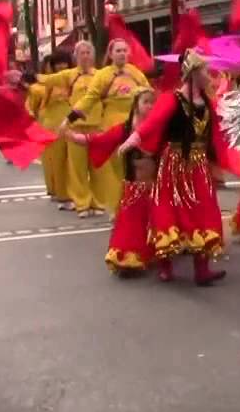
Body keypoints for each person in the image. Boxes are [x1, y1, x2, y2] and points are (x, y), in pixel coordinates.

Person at [118, 50, 236, 285]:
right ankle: (165, 266)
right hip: (174, 164)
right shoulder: (173, 99)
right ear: (192, 73)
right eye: (204, 70)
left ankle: (202, 270)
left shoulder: (207, 102)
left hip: (198, 164)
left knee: (204, 211)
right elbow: (154, 122)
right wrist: (134, 139)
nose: (208, 74)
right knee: (168, 211)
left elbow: (222, 125)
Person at [66, 88, 157, 275]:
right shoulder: (125, 129)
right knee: (131, 221)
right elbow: (101, 140)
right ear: (136, 106)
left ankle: (155, 254)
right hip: (134, 185)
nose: (150, 106)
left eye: (152, 102)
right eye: (146, 102)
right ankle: (128, 258)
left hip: (156, 185)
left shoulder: (159, 127)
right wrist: (74, 137)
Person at [67, 38, 150, 214]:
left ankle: (137, 207)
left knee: (137, 168)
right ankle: (118, 209)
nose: (122, 54)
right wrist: (70, 118)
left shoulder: (136, 73)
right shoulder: (103, 75)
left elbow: (149, 96)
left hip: (134, 127)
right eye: (118, 51)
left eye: (124, 50)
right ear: (110, 54)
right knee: (117, 171)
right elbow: (89, 99)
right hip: (112, 127)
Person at [32, 41, 103, 217]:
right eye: (82, 53)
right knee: (76, 168)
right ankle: (82, 203)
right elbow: (46, 79)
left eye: (88, 53)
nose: (85, 56)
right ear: (76, 56)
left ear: (93, 56)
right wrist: (28, 77)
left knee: (97, 168)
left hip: (96, 126)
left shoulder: (101, 75)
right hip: (74, 127)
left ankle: (97, 202)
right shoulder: (69, 75)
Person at [27, 53, 74, 206]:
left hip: (72, 125)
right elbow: (32, 107)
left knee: (73, 162)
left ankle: (75, 192)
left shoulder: (74, 81)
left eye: (64, 63)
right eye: (58, 63)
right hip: (51, 126)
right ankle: (59, 192)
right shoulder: (43, 86)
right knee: (54, 162)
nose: (62, 66)